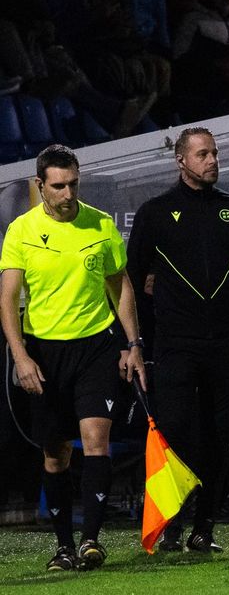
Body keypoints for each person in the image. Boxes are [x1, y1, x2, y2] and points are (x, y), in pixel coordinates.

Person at [127, 127, 229, 552]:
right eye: (202, 154)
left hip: (226, 342)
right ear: (181, 161)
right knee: (174, 431)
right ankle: (171, 523)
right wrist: (134, 341)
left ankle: (205, 526)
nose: (212, 161)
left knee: (219, 433)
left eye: (214, 153)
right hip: (174, 343)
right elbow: (131, 280)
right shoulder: (155, 213)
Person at [0, 144, 146, 572]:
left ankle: (91, 542)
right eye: (59, 186)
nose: (67, 194)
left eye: (73, 185)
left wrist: (134, 344)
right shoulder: (21, 230)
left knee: (96, 441)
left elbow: (120, 285)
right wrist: (20, 356)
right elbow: (7, 300)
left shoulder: (100, 224)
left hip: (96, 348)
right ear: (40, 185)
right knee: (56, 454)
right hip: (44, 351)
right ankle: (63, 546)